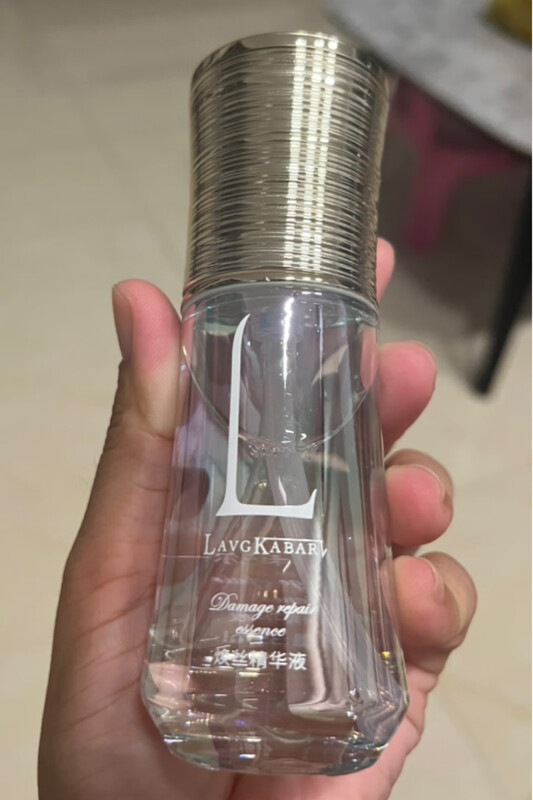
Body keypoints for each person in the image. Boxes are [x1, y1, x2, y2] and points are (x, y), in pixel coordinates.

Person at [38, 240, 476, 800]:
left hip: (318, 301)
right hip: (181, 724)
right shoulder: (215, 321)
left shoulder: (338, 316)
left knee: (392, 517)